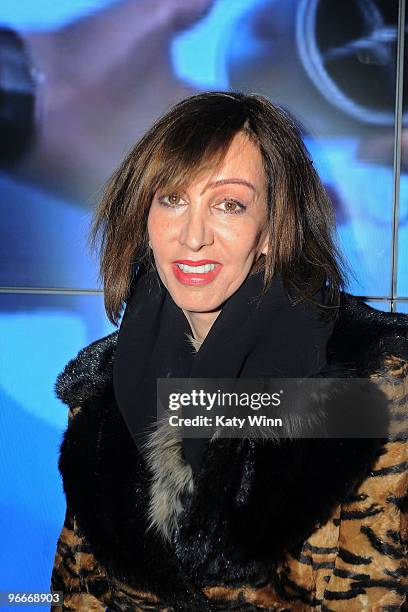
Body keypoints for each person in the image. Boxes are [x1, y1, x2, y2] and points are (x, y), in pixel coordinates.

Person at [50, 92, 408, 610]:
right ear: (144, 218)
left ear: (272, 228)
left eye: (229, 205)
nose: (192, 236)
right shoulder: (102, 392)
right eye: (172, 199)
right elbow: (76, 595)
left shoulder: (378, 385)